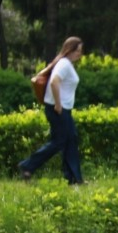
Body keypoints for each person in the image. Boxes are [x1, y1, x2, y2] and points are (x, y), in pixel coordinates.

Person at [19, 36, 85, 185]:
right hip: (58, 110)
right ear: (70, 50)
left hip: (63, 110)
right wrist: (58, 104)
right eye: (78, 51)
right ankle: (27, 165)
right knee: (59, 142)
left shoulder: (65, 63)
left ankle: (74, 178)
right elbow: (55, 81)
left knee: (70, 140)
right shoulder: (64, 64)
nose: (79, 55)